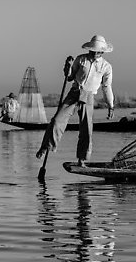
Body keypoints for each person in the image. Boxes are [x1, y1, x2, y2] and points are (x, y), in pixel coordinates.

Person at [36, 35, 115, 167]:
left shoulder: (106, 67)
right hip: (74, 93)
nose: (95, 53)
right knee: (57, 121)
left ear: (102, 52)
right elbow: (69, 77)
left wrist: (110, 106)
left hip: (89, 96)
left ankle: (82, 159)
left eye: (98, 51)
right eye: (93, 51)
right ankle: (46, 146)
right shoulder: (81, 59)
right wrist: (68, 67)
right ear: (90, 50)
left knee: (86, 129)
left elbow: (107, 87)